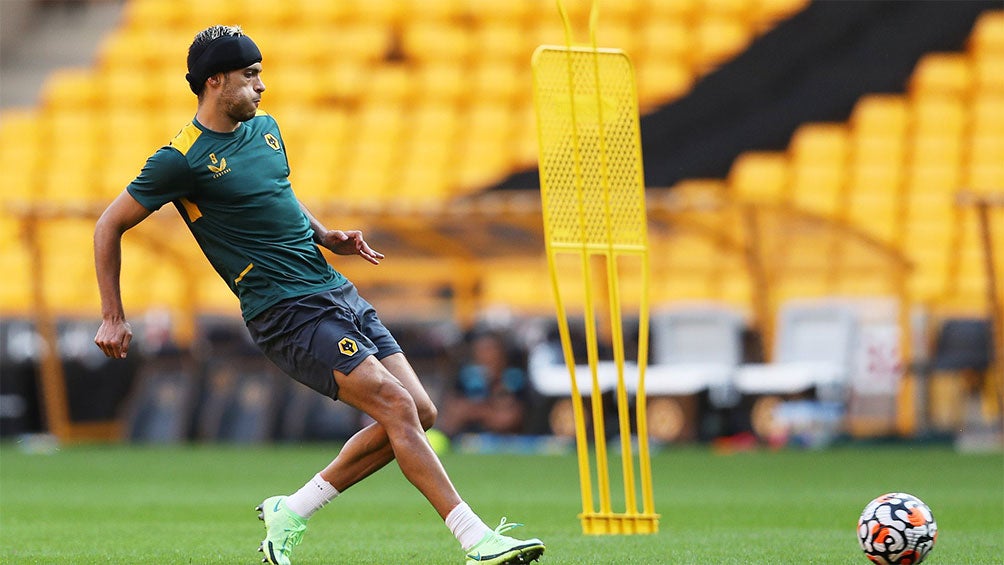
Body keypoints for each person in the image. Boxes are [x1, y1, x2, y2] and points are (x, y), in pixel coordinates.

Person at [93, 25, 544, 565]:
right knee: (396, 405)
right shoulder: (180, 160)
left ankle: (293, 510)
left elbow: (280, 196)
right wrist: (112, 316)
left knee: (419, 411)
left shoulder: (266, 130)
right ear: (214, 82)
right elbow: (108, 225)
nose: (261, 85)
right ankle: (477, 541)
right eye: (250, 75)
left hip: (332, 288)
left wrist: (324, 233)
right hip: (284, 310)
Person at [439, 329, 531, 438]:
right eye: (480, 350)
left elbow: (508, 419)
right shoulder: (466, 377)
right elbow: (451, 416)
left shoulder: (515, 378)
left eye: (489, 349)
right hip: (467, 439)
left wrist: (473, 411)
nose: (485, 355)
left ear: (501, 352)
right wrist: (489, 412)